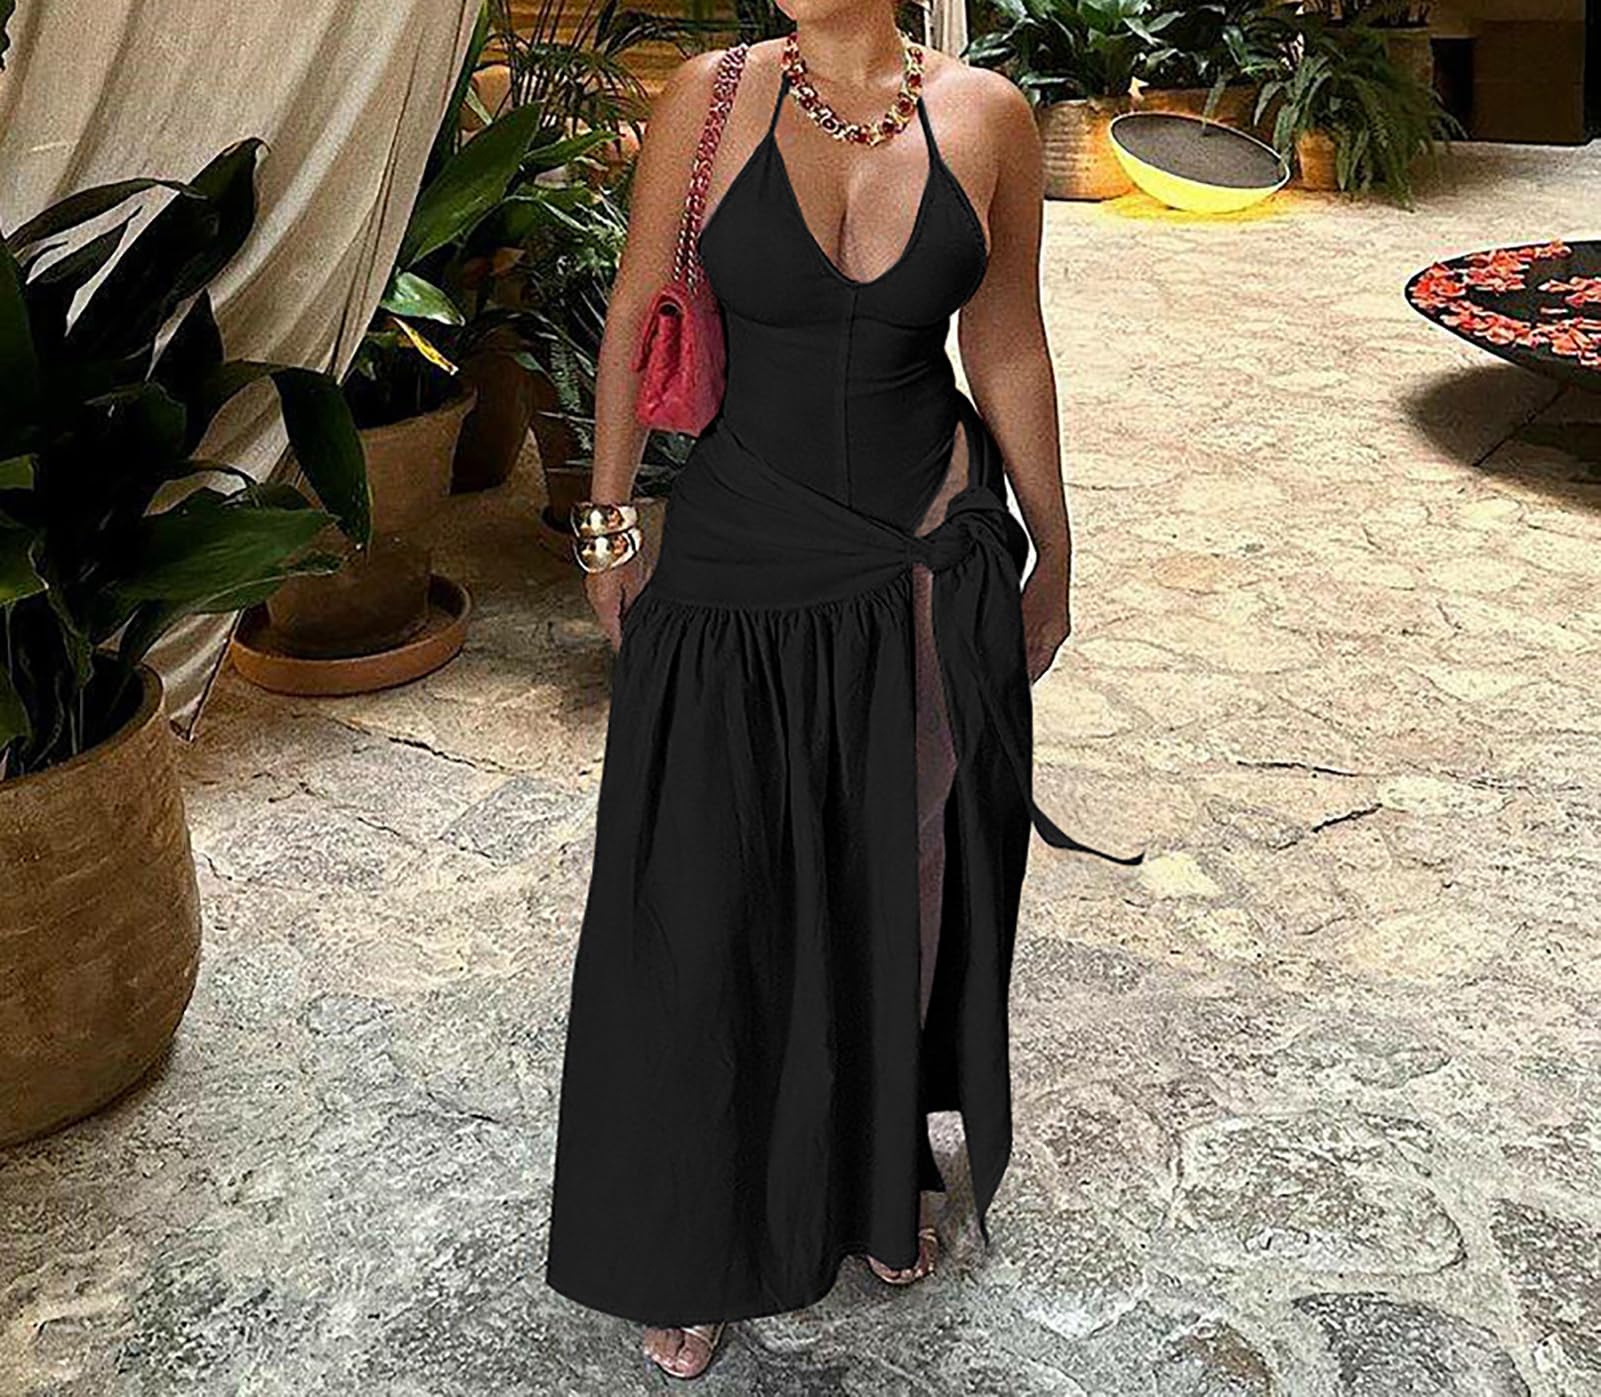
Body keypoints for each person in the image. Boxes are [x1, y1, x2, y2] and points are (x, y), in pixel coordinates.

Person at [544, 2, 1138, 1381]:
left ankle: (875, 1170)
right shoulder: (711, 98)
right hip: (742, 539)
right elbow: (634, 308)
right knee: (698, 892)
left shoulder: (986, 116)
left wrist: (1053, 546)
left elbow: (1005, 340)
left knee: (896, 868)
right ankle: (687, 1229)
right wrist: (609, 520)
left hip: (923, 547)